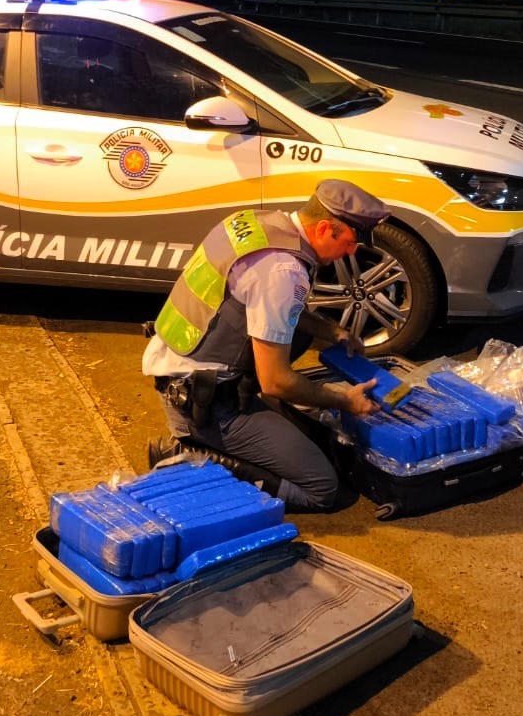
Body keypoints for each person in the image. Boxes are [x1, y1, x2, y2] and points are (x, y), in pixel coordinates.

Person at [142, 179, 389, 511]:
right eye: (350, 241)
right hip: (204, 405)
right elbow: (276, 380)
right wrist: (346, 401)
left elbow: (275, 306)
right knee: (322, 488)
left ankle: (255, 419)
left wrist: (333, 331)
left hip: (181, 367)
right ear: (325, 228)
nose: (352, 252)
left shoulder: (260, 223)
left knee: (295, 332)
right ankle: (187, 457)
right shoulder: (282, 271)